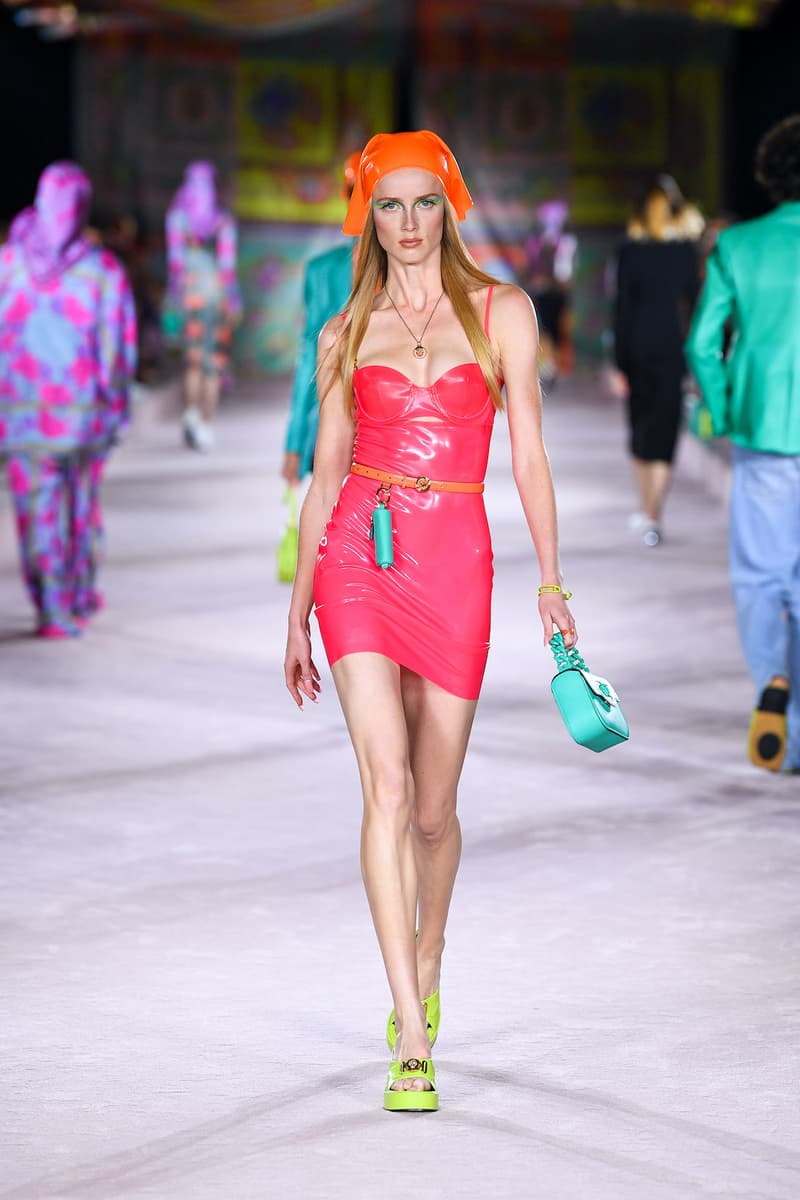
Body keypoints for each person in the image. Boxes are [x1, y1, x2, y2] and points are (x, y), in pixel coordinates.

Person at [283, 130, 576, 1111]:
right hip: (357, 566)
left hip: (454, 564)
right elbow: (326, 475)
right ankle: (410, 1034)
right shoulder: (343, 330)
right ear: (365, 214)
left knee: (432, 813)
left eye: (423, 203)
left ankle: (431, 947)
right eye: (388, 204)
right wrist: (296, 613)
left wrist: (553, 583)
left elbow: (528, 455)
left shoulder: (502, 311)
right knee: (386, 784)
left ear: (448, 207)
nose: (407, 223)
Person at [686, 115, 800, 775]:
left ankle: (774, 683)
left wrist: (724, 406)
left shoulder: (739, 245)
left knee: (762, 572)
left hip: (763, 425)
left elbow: (703, 342)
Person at [0, 161, 136, 638]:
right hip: (82, 418)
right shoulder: (102, 271)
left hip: (19, 417)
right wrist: (117, 408)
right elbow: (116, 349)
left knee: (35, 511)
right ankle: (77, 594)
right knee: (79, 506)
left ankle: (51, 605)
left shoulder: (7, 265)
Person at [612, 176, 701, 546]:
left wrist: (619, 362)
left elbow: (622, 309)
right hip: (665, 348)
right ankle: (651, 512)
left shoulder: (633, 251)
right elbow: (696, 306)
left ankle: (648, 510)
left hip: (643, 348)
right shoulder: (682, 252)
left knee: (646, 431)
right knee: (656, 430)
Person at [282, 152, 360, 486]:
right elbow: (309, 358)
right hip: (336, 431)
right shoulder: (322, 272)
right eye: (360, 194)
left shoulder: (419, 276)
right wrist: (295, 442)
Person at [165, 162, 241, 452]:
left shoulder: (177, 218)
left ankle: (192, 415)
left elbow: (175, 264)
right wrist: (233, 300)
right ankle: (207, 426)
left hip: (189, 293)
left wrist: (173, 299)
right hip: (215, 294)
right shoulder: (222, 221)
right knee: (213, 364)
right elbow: (227, 267)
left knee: (193, 360)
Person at [525, 199, 577, 387]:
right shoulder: (535, 243)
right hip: (542, 294)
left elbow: (565, 273)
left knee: (555, 331)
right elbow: (532, 270)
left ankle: (552, 365)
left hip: (557, 294)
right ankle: (548, 366)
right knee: (543, 330)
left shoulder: (566, 243)